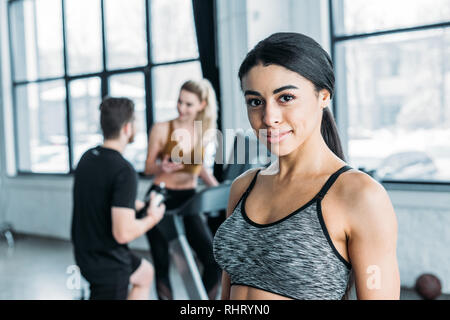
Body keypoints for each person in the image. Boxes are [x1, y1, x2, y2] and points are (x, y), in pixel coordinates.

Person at [213, 32, 400, 300]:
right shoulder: (243, 186)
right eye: (255, 102)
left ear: (323, 96)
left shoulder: (360, 195)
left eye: (285, 97)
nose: (269, 118)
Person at [71, 97, 166, 300]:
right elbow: (123, 233)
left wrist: (137, 205)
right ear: (127, 128)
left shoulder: (88, 157)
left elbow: (100, 197)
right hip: (108, 264)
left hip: (85, 254)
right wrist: (153, 218)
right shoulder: (124, 170)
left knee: (145, 273)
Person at [144, 79, 222, 300]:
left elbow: (200, 169)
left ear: (202, 105)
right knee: (162, 263)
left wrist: (222, 193)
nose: (181, 108)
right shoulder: (161, 128)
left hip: (188, 199)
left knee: (212, 259)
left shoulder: (204, 132)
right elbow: (148, 167)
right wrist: (163, 166)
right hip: (160, 197)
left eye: (188, 104)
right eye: (179, 102)